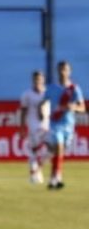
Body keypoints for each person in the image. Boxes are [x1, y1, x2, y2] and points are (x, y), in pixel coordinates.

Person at [41, 61, 83, 190]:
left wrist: (74, 106)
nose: (62, 72)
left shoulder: (74, 89)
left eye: (65, 69)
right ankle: (56, 178)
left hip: (68, 125)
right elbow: (43, 102)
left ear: (69, 71)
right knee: (58, 146)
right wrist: (41, 114)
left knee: (59, 151)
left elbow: (82, 107)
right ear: (57, 71)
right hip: (55, 123)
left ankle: (45, 167)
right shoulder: (51, 88)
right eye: (60, 69)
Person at [19, 70, 50, 185]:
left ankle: (37, 170)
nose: (37, 81)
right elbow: (23, 111)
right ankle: (34, 174)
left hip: (46, 126)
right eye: (35, 79)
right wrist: (22, 126)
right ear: (32, 80)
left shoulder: (48, 93)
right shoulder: (27, 94)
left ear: (43, 80)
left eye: (40, 79)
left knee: (50, 149)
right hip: (33, 126)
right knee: (33, 150)